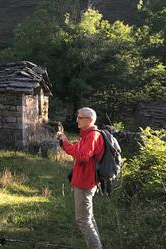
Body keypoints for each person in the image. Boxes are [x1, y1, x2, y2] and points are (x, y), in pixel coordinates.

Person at [56, 107, 105, 249]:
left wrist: (65, 142)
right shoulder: (86, 135)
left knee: (83, 220)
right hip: (85, 180)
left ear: (89, 120)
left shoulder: (92, 136)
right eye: (78, 117)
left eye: (80, 118)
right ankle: (97, 245)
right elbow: (75, 150)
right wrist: (64, 141)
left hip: (85, 182)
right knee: (88, 218)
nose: (77, 120)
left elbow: (83, 156)